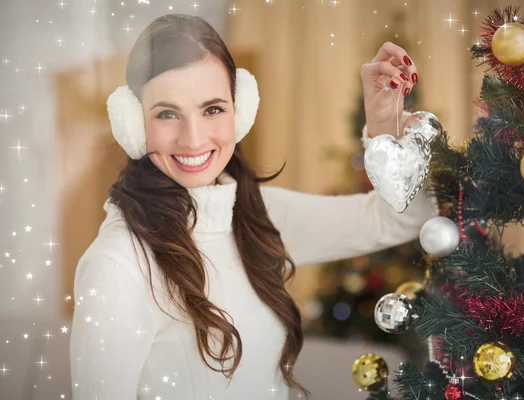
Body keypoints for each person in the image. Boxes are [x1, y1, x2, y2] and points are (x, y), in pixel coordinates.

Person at [69, 13, 438, 400]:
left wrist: (384, 130)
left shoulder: (257, 214)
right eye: (167, 113)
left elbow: (399, 219)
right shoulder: (117, 263)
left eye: (212, 109)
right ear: (132, 123)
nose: (193, 139)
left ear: (239, 110)